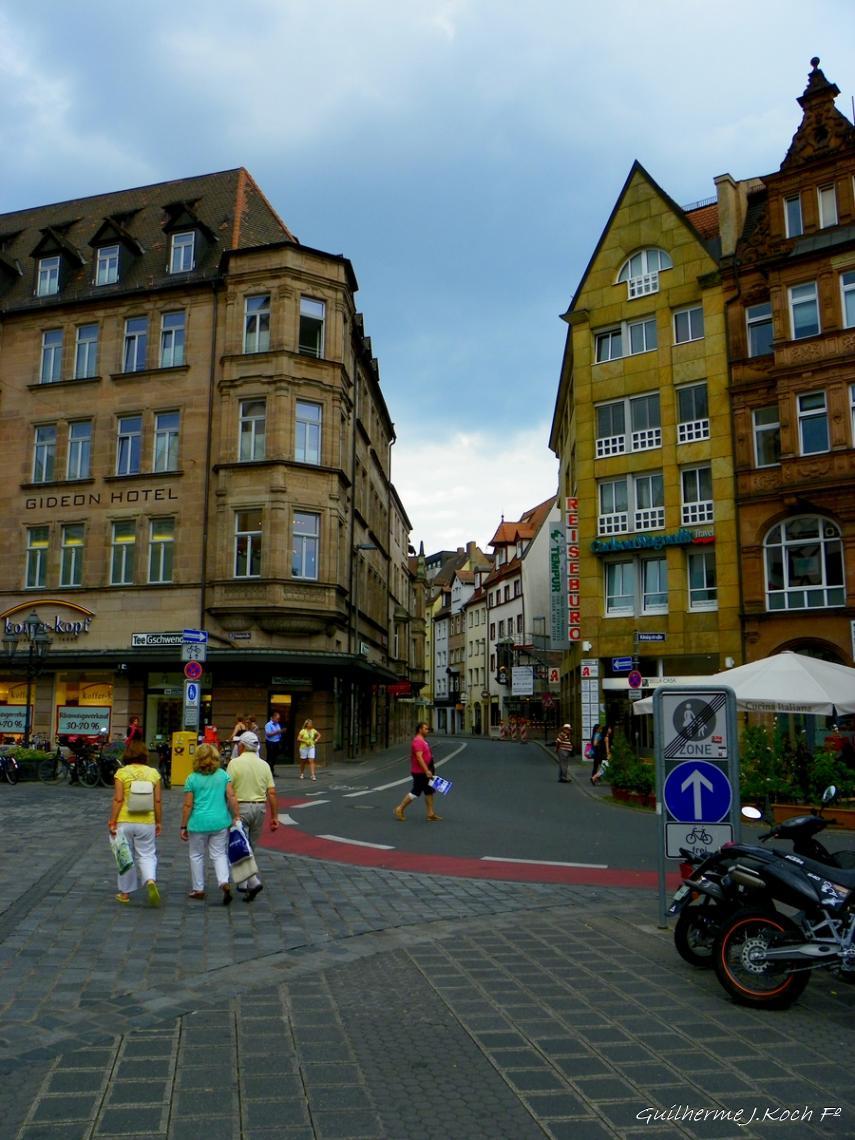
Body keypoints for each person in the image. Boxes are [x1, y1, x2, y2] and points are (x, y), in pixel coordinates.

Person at [180, 743, 241, 905]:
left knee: (196, 855)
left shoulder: (191, 778)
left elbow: (188, 805)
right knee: (219, 854)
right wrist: (237, 815)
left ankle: (198, 889)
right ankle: (223, 881)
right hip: (220, 822)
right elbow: (231, 796)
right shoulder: (222, 775)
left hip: (198, 823)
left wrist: (183, 825)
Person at [226, 730, 279, 902]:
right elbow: (271, 792)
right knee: (250, 846)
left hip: (240, 808)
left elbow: (228, 789)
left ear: (242, 746)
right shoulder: (264, 765)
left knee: (239, 845)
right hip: (260, 809)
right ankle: (243, 883)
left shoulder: (234, 763)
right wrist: (274, 817)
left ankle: (253, 881)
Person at [108, 739, 162, 906]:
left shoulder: (121, 773)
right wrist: (159, 821)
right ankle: (150, 880)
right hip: (146, 820)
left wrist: (112, 820)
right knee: (147, 854)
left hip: (125, 820)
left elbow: (118, 799)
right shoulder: (154, 774)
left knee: (124, 855)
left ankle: (125, 893)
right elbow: (158, 801)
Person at [394, 722, 441, 822]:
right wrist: (426, 771)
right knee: (415, 792)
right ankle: (400, 809)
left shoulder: (423, 741)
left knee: (429, 791)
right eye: (425, 729)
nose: (427, 730)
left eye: (428, 729)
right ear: (420, 729)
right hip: (420, 772)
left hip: (426, 770)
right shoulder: (418, 741)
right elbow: (419, 758)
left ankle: (430, 814)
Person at [264, 710, 283, 775]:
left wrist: (281, 732)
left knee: (274, 758)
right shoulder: (268, 725)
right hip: (270, 742)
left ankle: (272, 770)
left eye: (279, 719)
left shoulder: (277, 724)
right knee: (270, 757)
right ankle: (269, 772)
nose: (278, 720)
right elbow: (268, 734)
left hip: (277, 742)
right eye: (277, 718)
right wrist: (278, 732)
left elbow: (279, 732)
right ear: (273, 717)